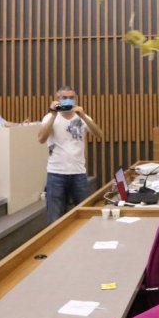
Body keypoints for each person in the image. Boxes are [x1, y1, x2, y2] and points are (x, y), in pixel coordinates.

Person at [37, 85, 104, 223]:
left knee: (84, 215)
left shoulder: (82, 117)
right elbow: (41, 139)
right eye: (65, 98)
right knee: (54, 217)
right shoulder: (49, 117)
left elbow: (99, 135)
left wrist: (84, 116)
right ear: (58, 99)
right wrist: (53, 114)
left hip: (78, 173)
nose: (68, 100)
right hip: (56, 173)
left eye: (71, 98)